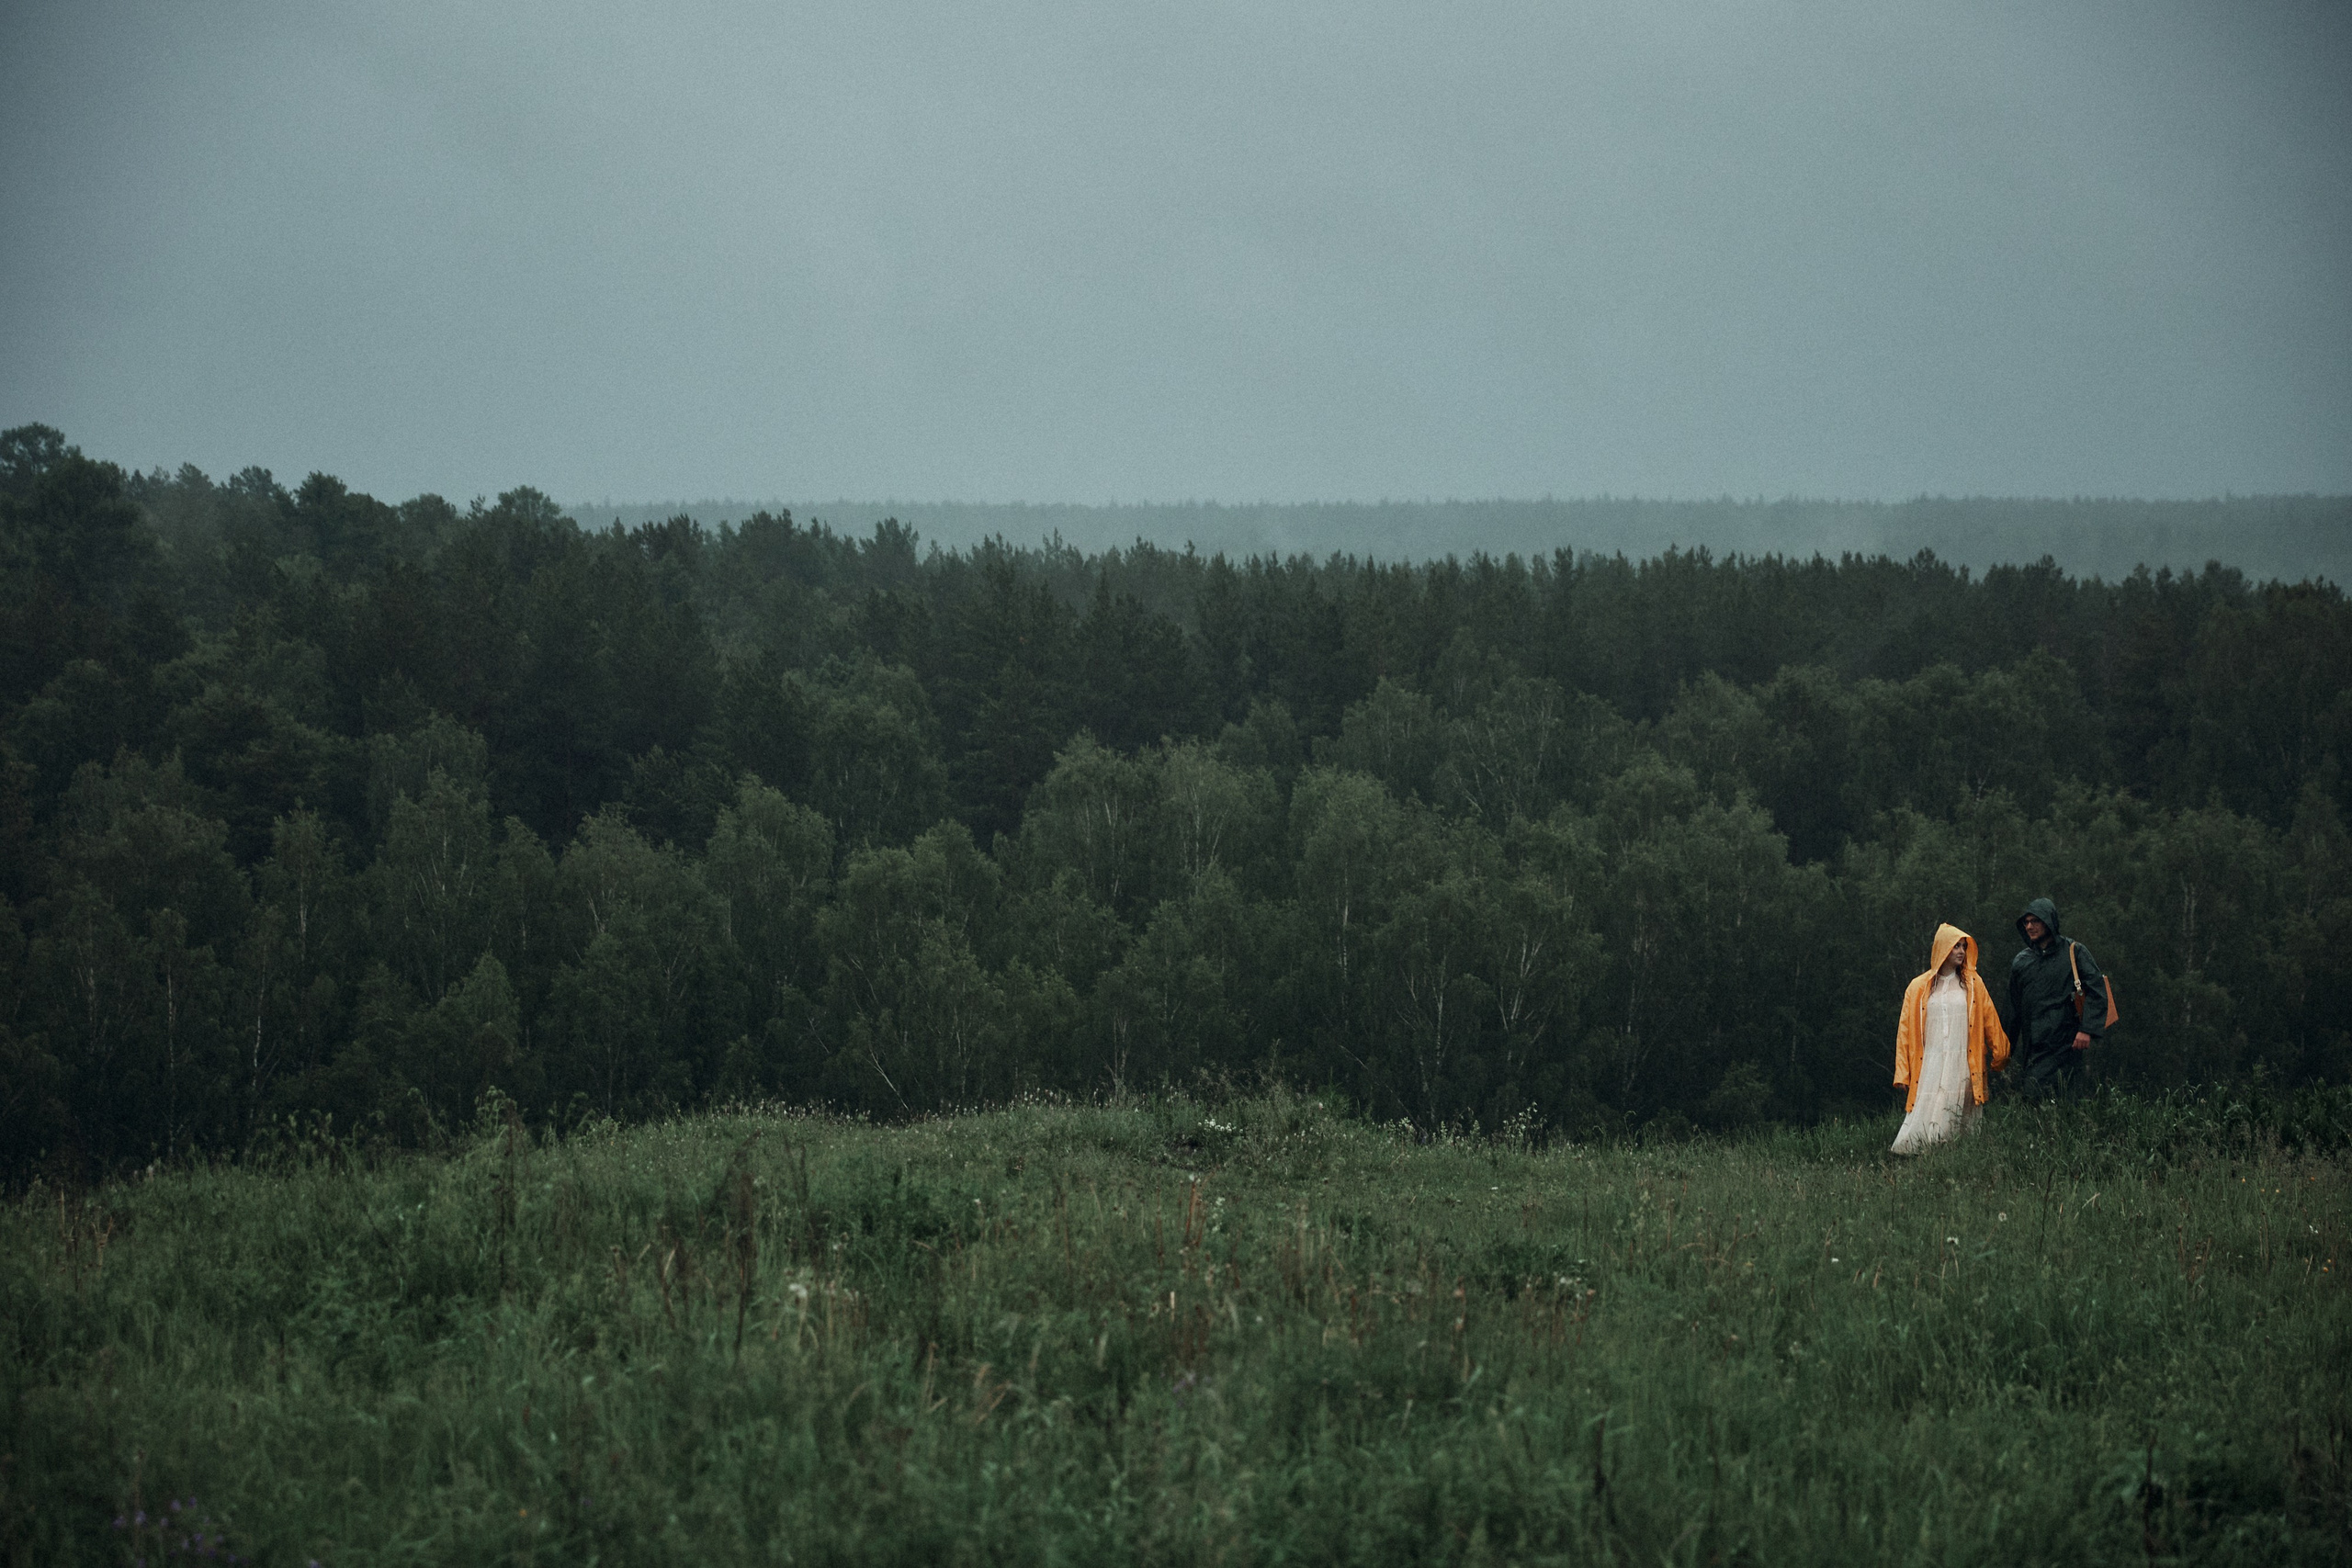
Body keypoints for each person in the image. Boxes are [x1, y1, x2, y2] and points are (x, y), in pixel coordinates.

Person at [1892, 922, 2010, 1154]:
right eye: (1956, 946)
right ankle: (1919, 1154)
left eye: (1964, 946)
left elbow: (1990, 1019)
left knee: (1956, 1117)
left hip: (1963, 1062)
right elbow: (1904, 1032)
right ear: (1942, 948)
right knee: (1928, 1109)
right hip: (1930, 1064)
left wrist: (2000, 1055)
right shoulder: (1918, 987)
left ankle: (1954, 1157)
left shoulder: (1973, 985)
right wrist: (1903, 1072)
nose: (1961, 951)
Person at [2006, 897, 2108, 1100]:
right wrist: (2004, 1047)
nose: (2029, 926)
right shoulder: (2022, 961)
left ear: (2049, 921)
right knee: (2032, 1098)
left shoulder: (2074, 952)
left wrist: (2087, 1029)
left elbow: (2097, 990)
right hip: (2034, 1045)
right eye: (2026, 922)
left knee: (2066, 1102)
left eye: (2035, 921)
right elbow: (2012, 1009)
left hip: (2067, 1042)